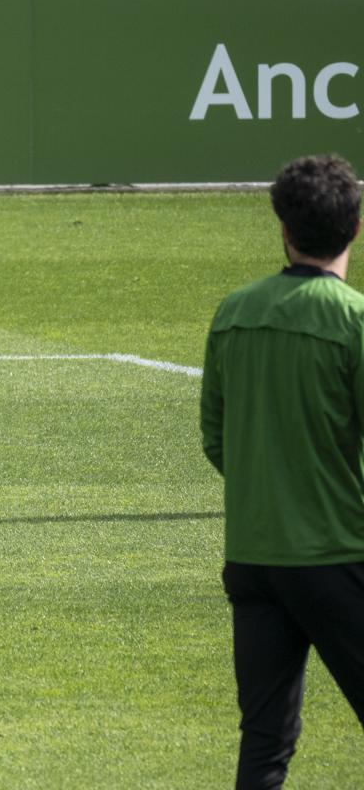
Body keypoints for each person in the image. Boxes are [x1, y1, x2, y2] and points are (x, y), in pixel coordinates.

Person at [200, 154, 364, 788]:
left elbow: (217, 439)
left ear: (282, 228)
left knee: (265, 745)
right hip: (336, 555)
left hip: (253, 559)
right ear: (355, 227)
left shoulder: (235, 311)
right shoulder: (351, 321)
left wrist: (268, 492)